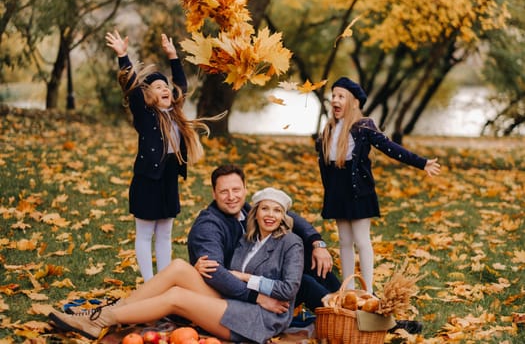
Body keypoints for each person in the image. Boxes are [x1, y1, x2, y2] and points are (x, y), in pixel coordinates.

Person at [48, 187, 304, 344]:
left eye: (277, 211)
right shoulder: (248, 238)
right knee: (180, 267)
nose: (271, 215)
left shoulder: (291, 243)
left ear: (284, 216)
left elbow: (289, 289)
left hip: (262, 318)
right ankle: (107, 312)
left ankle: (99, 320)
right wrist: (208, 269)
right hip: (241, 300)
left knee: (176, 297)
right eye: (266, 209)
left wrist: (247, 280)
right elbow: (231, 275)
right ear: (255, 212)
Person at [105, 30, 222, 281]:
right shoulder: (145, 116)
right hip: (148, 179)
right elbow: (132, 89)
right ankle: (150, 282)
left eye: (166, 86)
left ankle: (165, 279)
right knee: (146, 233)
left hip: (168, 177)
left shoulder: (175, 112)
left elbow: (181, 84)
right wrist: (123, 56)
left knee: (166, 233)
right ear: (149, 95)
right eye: (158, 87)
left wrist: (173, 56)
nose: (165, 89)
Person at [316, 76, 441, 293]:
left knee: (361, 240)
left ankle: (368, 291)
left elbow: (390, 148)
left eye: (341, 96)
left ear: (354, 102)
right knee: (344, 240)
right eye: (333, 96)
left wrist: (422, 163)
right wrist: (329, 191)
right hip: (337, 191)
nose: (335, 100)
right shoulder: (328, 130)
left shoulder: (363, 127)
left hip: (358, 191)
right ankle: (349, 290)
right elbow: (324, 166)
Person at [188, 164, 340, 313]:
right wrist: (256, 297)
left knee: (307, 254)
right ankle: (339, 315)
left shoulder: (246, 210)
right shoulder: (208, 226)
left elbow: (287, 215)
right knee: (304, 284)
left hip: (258, 273)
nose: (231, 197)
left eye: (236, 190)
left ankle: (344, 300)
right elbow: (215, 273)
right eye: (223, 192)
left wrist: (317, 243)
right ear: (214, 193)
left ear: (245, 189)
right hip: (236, 291)